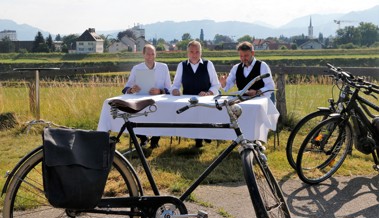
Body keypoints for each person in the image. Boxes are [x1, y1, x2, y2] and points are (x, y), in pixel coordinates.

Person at [171, 40, 220, 147]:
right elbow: (175, 85)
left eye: (197, 52)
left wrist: (209, 93)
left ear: (201, 52)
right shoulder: (182, 65)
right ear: (187, 53)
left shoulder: (208, 64)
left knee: (202, 112)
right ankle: (199, 137)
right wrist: (174, 90)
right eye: (191, 52)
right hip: (188, 101)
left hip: (205, 101)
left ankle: (203, 136)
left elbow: (216, 85)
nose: (194, 54)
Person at [122, 44, 171, 148]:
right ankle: (143, 138)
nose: (150, 56)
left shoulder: (163, 67)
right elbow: (126, 88)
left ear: (155, 54)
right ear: (143, 54)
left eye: (152, 54)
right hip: (141, 99)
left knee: (162, 113)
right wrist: (131, 89)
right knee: (134, 114)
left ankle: (155, 139)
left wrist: (160, 91)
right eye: (148, 54)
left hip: (159, 101)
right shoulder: (136, 68)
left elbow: (169, 89)